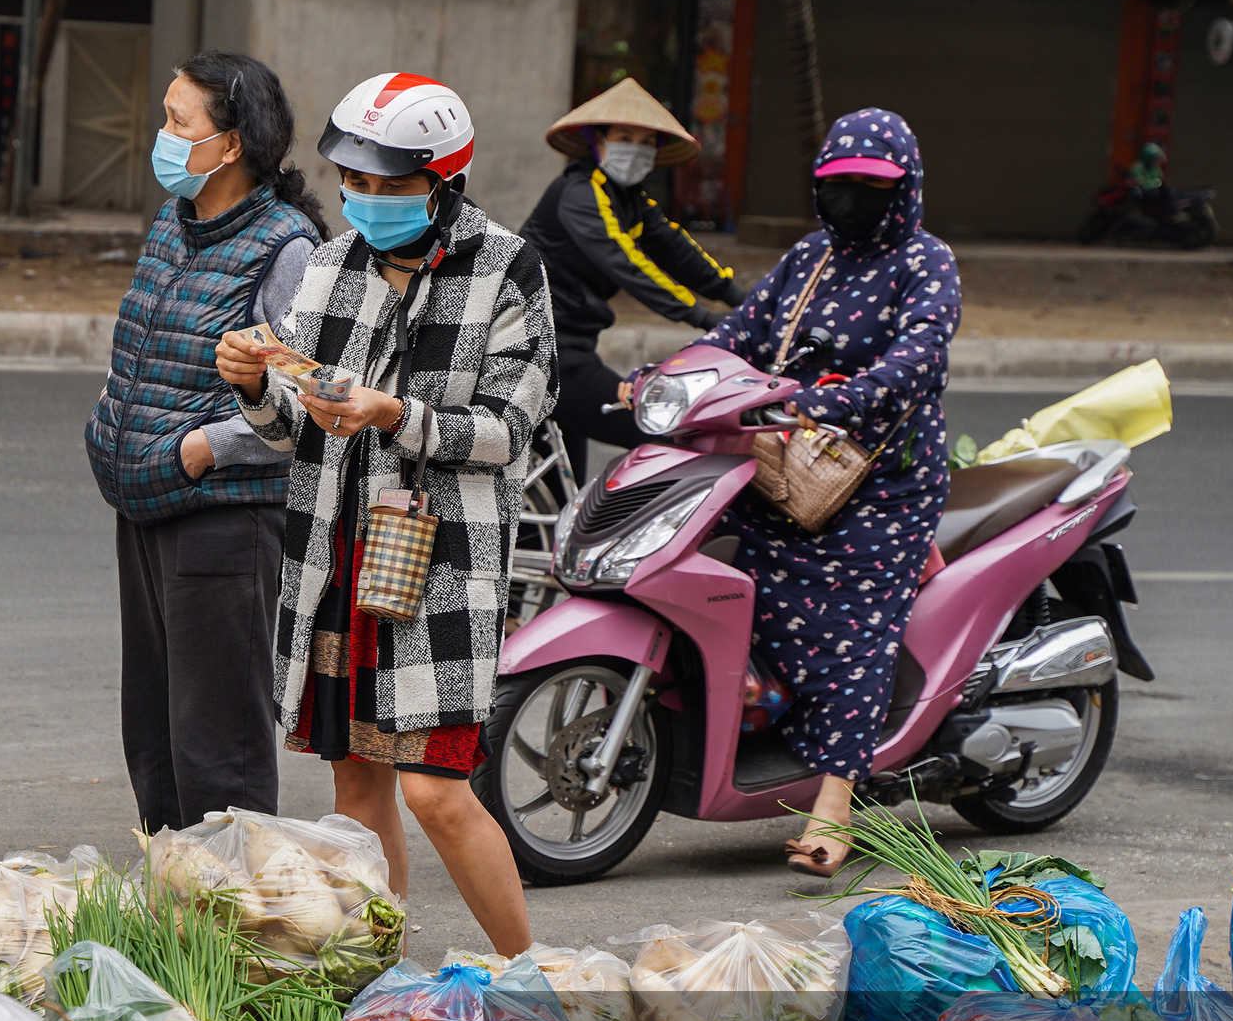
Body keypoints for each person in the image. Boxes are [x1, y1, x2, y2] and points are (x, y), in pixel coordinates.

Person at [214, 73, 556, 955]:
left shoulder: (508, 269)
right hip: (335, 556)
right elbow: (295, 425)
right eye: (353, 182)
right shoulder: (331, 265)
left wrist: (395, 414)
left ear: (445, 180)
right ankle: (380, 986)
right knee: (358, 800)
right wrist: (259, 386)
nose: (365, 199)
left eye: (389, 184)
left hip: (435, 564)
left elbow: (509, 429)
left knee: (436, 792)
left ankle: (534, 981)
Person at [693, 109, 956, 877]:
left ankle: (836, 799)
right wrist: (668, 377)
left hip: (882, 479)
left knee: (857, 619)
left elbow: (919, 358)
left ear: (904, 191)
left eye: (870, 188)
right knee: (723, 559)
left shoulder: (923, 261)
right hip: (789, 458)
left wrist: (832, 400)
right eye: (837, 186)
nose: (851, 200)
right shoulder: (811, 257)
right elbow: (739, 333)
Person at [84, 50, 325, 835]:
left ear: (231, 145)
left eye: (176, 122)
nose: (162, 134)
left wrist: (203, 449)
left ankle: (236, 926)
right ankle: (176, 907)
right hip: (148, 504)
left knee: (216, 744)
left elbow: (307, 399)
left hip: (223, 517)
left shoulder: (285, 249)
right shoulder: (174, 222)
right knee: (153, 734)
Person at [520, 78, 746, 481]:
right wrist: (702, 317)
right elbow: (625, 262)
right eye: (625, 137)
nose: (635, 149)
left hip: (569, 350)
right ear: (598, 141)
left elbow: (679, 251)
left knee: (557, 492)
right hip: (542, 354)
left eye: (645, 142)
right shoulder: (580, 191)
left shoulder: (635, 202)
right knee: (661, 434)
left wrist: (740, 299)